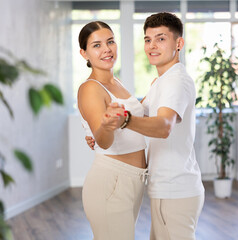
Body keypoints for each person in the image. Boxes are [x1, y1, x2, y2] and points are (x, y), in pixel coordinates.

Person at [86, 12, 205, 240]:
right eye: (148, 39)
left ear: (178, 43)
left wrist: (125, 121)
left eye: (161, 39)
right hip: (165, 188)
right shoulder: (161, 81)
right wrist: (102, 130)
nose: (152, 46)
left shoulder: (176, 81)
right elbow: (139, 114)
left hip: (175, 189)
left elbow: (163, 127)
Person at [77, 21, 148, 240]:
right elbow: (104, 140)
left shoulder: (116, 82)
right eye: (97, 45)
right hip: (112, 181)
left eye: (110, 41)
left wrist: (156, 89)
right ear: (84, 53)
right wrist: (105, 127)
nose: (107, 49)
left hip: (132, 180)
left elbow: (133, 116)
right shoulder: (90, 88)